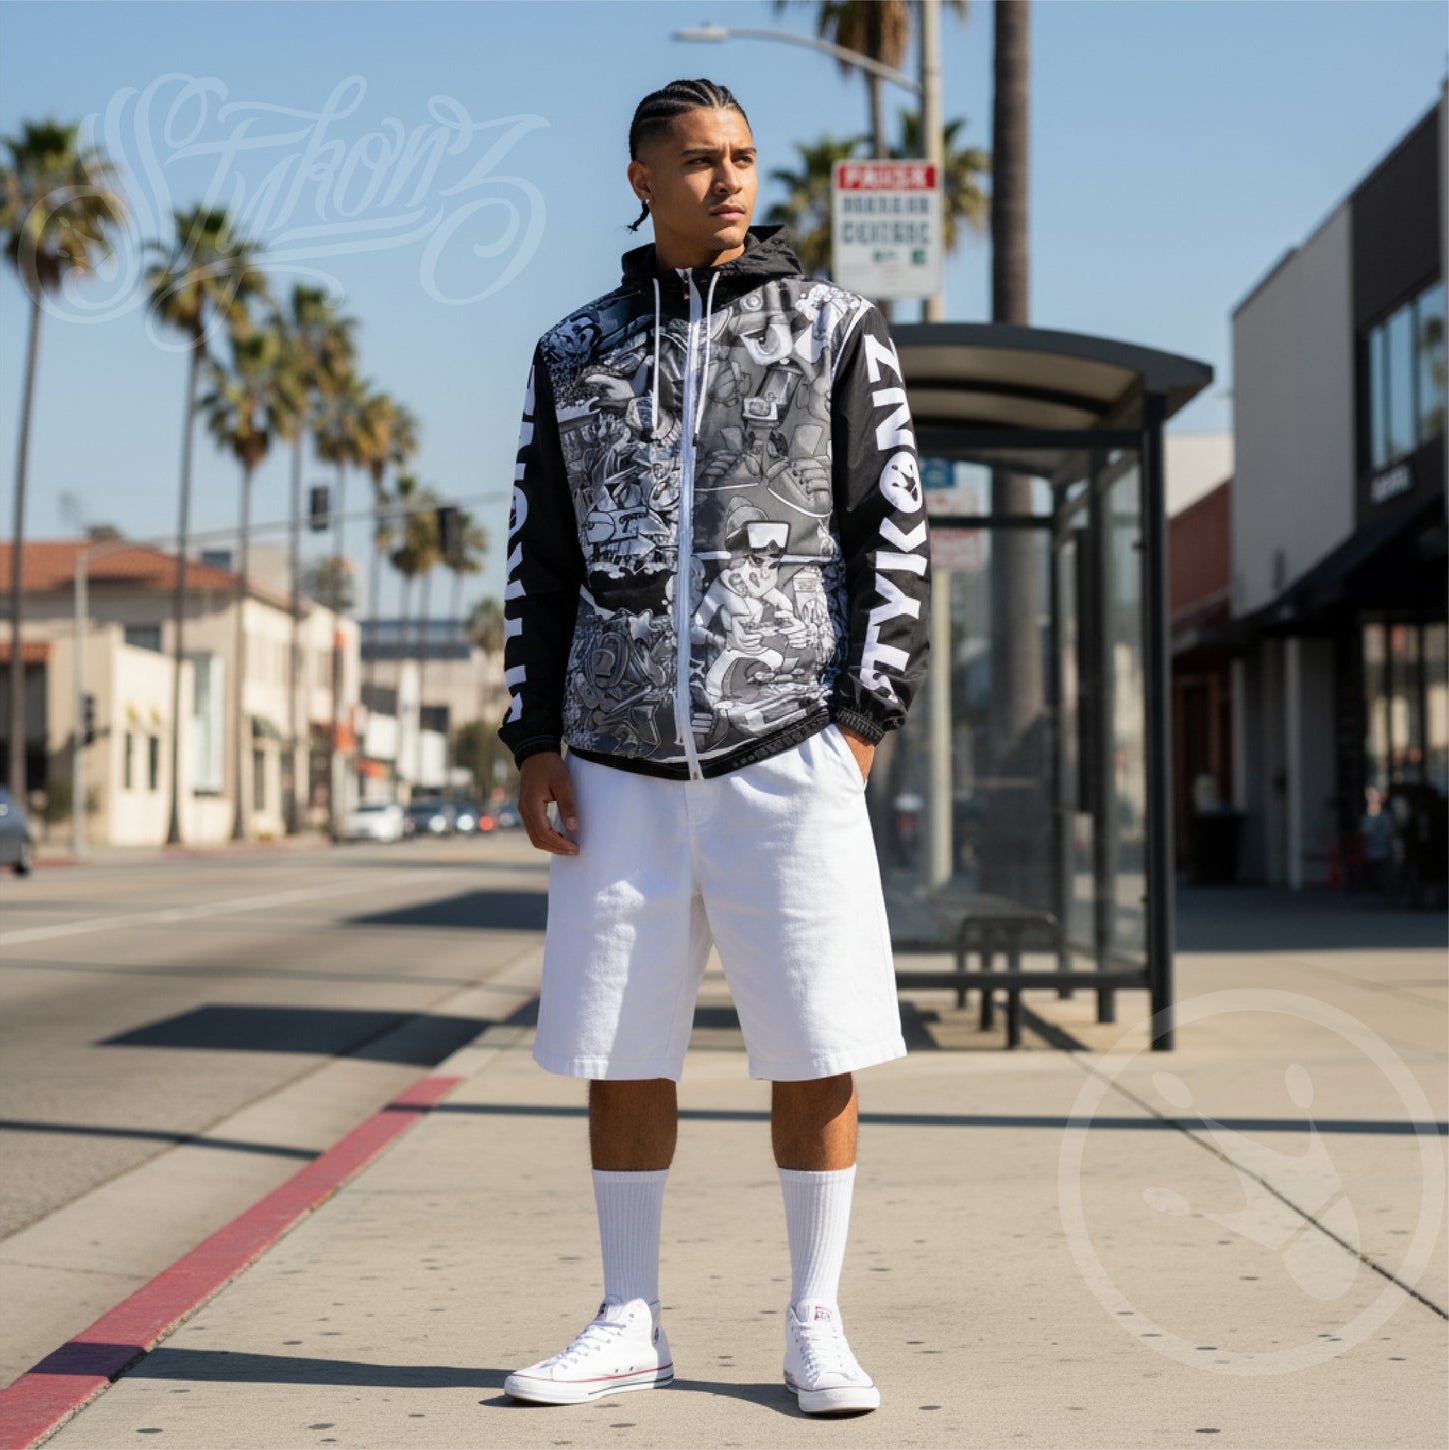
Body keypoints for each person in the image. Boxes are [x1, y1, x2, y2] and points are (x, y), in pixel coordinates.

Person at [496, 77, 932, 1416]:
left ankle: (814, 1319)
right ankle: (628, 1316)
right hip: (616, 755)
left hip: (785, 742)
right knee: (621, 1044)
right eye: (697, 161)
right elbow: (538, 556)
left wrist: (859, 721)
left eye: (742, 158)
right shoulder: (573, 351)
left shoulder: (834, 328)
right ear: (639, 176)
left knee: (815, 1035)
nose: (728, 181)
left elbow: (893, 533)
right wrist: (532, 733)